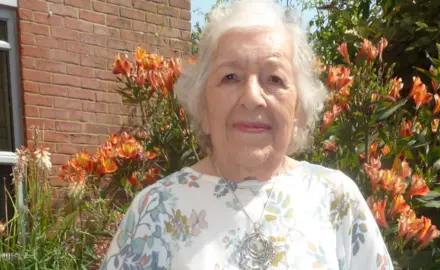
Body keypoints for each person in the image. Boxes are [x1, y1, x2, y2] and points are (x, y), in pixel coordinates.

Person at [102, 0, 394, 269]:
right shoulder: (155, 211)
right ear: (203, 106)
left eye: (275, 78)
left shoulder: (337, 200)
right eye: (231, 77)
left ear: (297, 110)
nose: (253, 97)